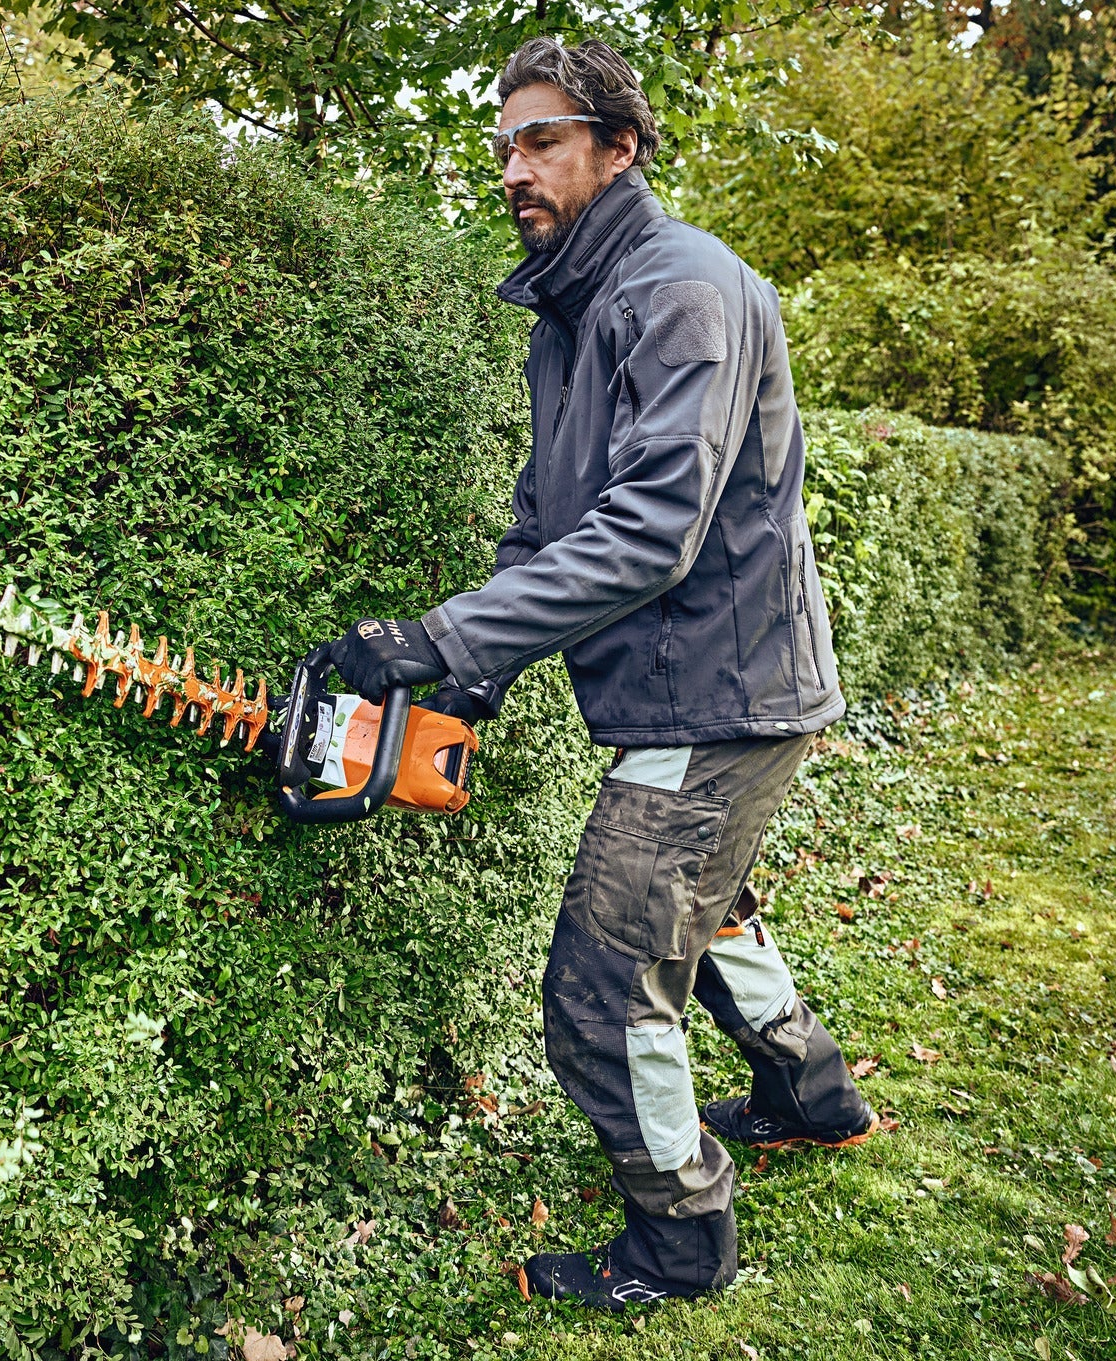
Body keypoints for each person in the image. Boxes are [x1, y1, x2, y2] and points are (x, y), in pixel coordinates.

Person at [324, 37, 885, 1312]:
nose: (516, 166)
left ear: (618, 146)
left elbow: (650, 527)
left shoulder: (678, 285)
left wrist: (438, 639)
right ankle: (812, 1094)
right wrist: (474, 668)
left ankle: (680, 1240)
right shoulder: (575, 309)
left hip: (716, 695)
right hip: (714, 684)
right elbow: (549, 517)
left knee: (601, 984)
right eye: (506, 145)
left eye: (545, 139)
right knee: (711, 901)